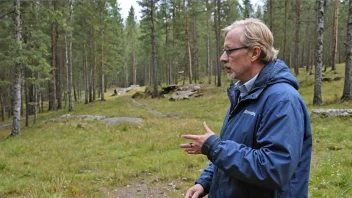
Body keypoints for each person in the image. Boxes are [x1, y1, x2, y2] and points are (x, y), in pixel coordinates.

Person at [180, 18, 312, 198]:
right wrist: (206, 181)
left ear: (254, 53)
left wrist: (214, 148)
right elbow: (234, 149)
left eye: (229, 50)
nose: (223, 58)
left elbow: (274, 168)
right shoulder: (243, 93)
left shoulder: (282, 100)